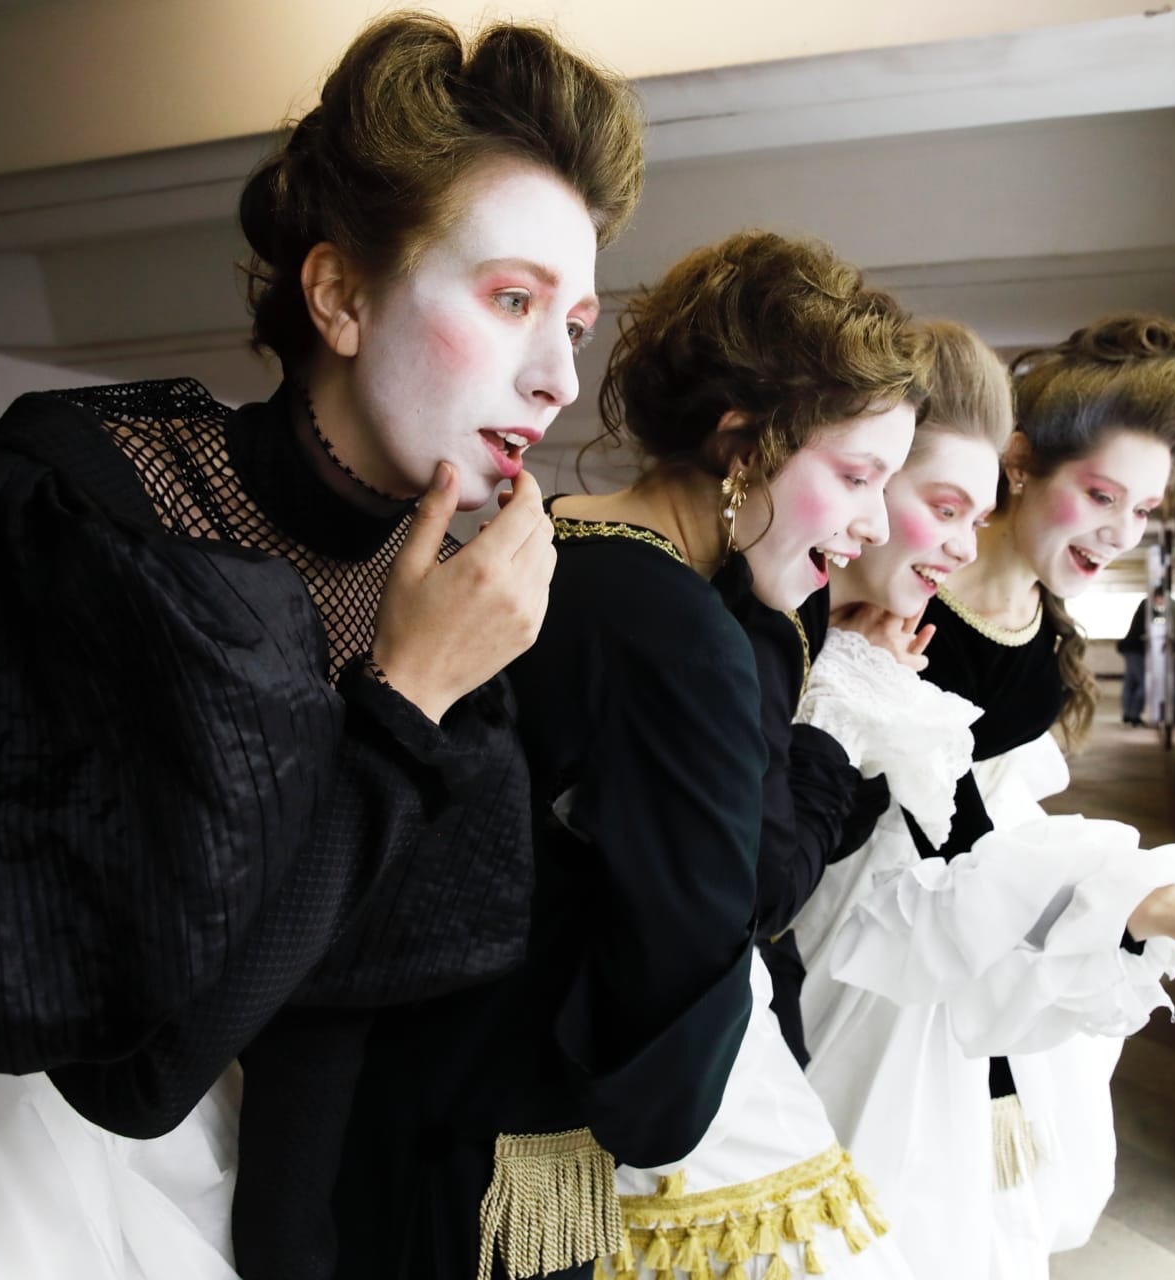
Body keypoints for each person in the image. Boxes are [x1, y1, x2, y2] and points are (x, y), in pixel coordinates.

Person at [0, 15, 644, 1280]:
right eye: (513, 299)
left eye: (573, 323)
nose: (559, 378)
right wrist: (406, 699)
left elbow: (328, 1012)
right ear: (340, 295)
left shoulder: (435, 589)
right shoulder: (81, 513)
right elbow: (136, 1073)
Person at [330, 231, 927, 1280]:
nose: (874, 522)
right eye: (855, 475)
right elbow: (682, 1018)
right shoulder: (682, 635)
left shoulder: (555, 545)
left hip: (383, 1098)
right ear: (742, 443)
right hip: (501, 1163)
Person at [794, 315, 1175, 1279]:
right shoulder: (892, 593)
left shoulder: (1047, 636)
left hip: (976, 922)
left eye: (1144, 509)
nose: (1121, 532)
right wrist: (1133, 898)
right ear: (1019, 466)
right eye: (1101, 495)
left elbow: (990, 821)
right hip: (867, 926)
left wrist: (1115, 901)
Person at [1117, 583, 1169, 727]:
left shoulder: (1145, 605)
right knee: (1143, 683)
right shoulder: (1147, 606)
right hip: (1135, 650)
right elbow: (1154, 620)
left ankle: (1128, 713)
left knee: (1131, 682)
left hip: (1131, 649)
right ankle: (1133, 714)